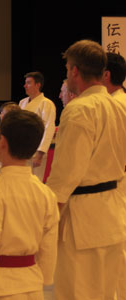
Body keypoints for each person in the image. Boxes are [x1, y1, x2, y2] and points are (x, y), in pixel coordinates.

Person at [46, 40, 126, 300]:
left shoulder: (78, 110)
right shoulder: (118, 106)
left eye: (68, 68)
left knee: (77, 292)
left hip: (82, 220)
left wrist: (46, 218)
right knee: (106, 292)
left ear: (75, 71)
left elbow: (66, 173)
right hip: (114, 213)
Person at [0, 110, 59, 300]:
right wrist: (43, 277)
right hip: (32, 283)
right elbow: (49, 245)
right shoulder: (45, 193)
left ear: (2, 142)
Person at [101, 52, 126, 300]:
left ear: (106, 75)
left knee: (119, 250)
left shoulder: (116, 105)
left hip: (118, 181)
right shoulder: (118, 102)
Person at [19, 72, 56, 182]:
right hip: (21, 149)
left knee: (34, 182)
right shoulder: (22, 102)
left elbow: (49, 129)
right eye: (25, 83)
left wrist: (40, 154)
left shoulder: (46, 104)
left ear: (38, 85)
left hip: (36, 149)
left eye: (29, 83)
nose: (25, 86)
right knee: (21, 182)